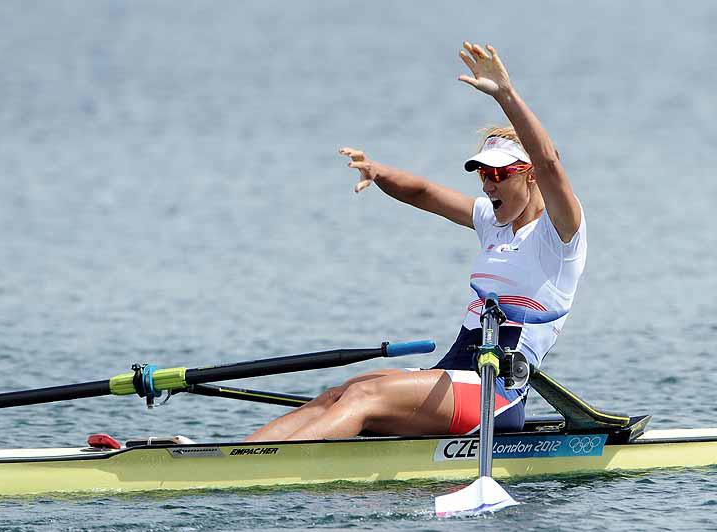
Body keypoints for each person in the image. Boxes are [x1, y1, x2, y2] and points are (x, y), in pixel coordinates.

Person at [245, 42, 586, 442]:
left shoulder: (560, 233)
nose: (488, 185)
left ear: (531, 176)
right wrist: (379, 172)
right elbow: (423, 193)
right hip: (455, 374)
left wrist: (505, 95)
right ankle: (240, 455)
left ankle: (268, 465)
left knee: (365, 396)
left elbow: (550, 162)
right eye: (483, 175)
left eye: (499, 175)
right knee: (340, 393)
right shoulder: (492, 222)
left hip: (495, 394)